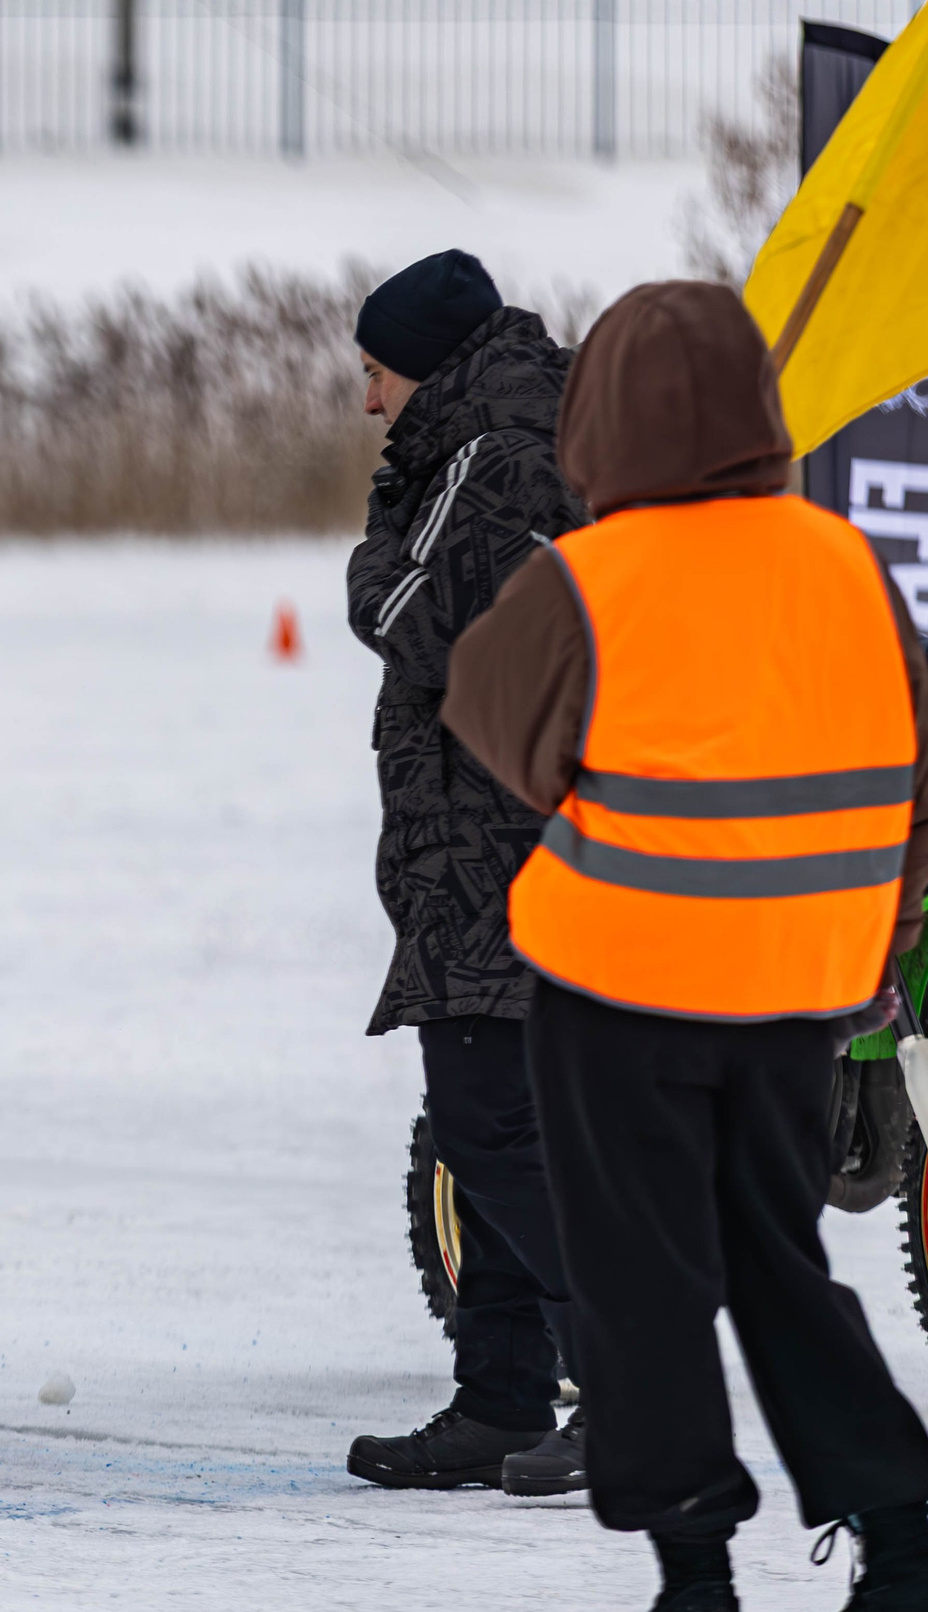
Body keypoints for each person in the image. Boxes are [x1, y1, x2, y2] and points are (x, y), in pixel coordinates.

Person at [444, 280, 928, 1612]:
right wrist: (874, 946)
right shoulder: (847, 565)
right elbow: (914, 781)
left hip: (620, 987)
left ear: (601, 415)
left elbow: (491, 717)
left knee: (643, 1284)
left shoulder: (589, 578)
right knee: (780, 1268)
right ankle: (909, 1577)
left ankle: (695, 1599)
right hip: (799, 991)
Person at [341, 250, 596, 1496]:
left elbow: (405, 617)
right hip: (496, 835)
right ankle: (500, 1395)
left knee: (491, 1124)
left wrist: (373, 543)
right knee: (481, 1120)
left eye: (377, 373)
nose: (368, 401)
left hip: (500, 842)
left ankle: (627, 1382)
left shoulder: (491, 456)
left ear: (428, 367)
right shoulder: (520, 429)